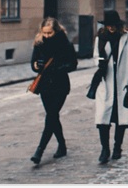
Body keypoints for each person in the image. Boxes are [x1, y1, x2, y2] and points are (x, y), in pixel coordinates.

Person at [92, 10, 128, 164]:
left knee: (121, 119)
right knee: (102, 119)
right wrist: (99, 63)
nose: (110, 28)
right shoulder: (100, 38)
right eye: (108, 25)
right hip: (105, 83)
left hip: (123, 81)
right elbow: (95, 56)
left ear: (118, 24)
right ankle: (104, 149)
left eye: (113, 25)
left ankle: (118, 146)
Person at [29, 17, 78, 164]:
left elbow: (73, 64)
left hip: (60, 85)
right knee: (53, 117)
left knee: (50, 116)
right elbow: (33, 63)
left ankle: (40, 150)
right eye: (44, 33)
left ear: (56, 31)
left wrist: (58, 68)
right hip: (44, 85)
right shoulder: (39, 44)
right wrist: (37, 66)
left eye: (49, 33)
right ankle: (62, 146)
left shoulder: (66, 44)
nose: (47, 36)